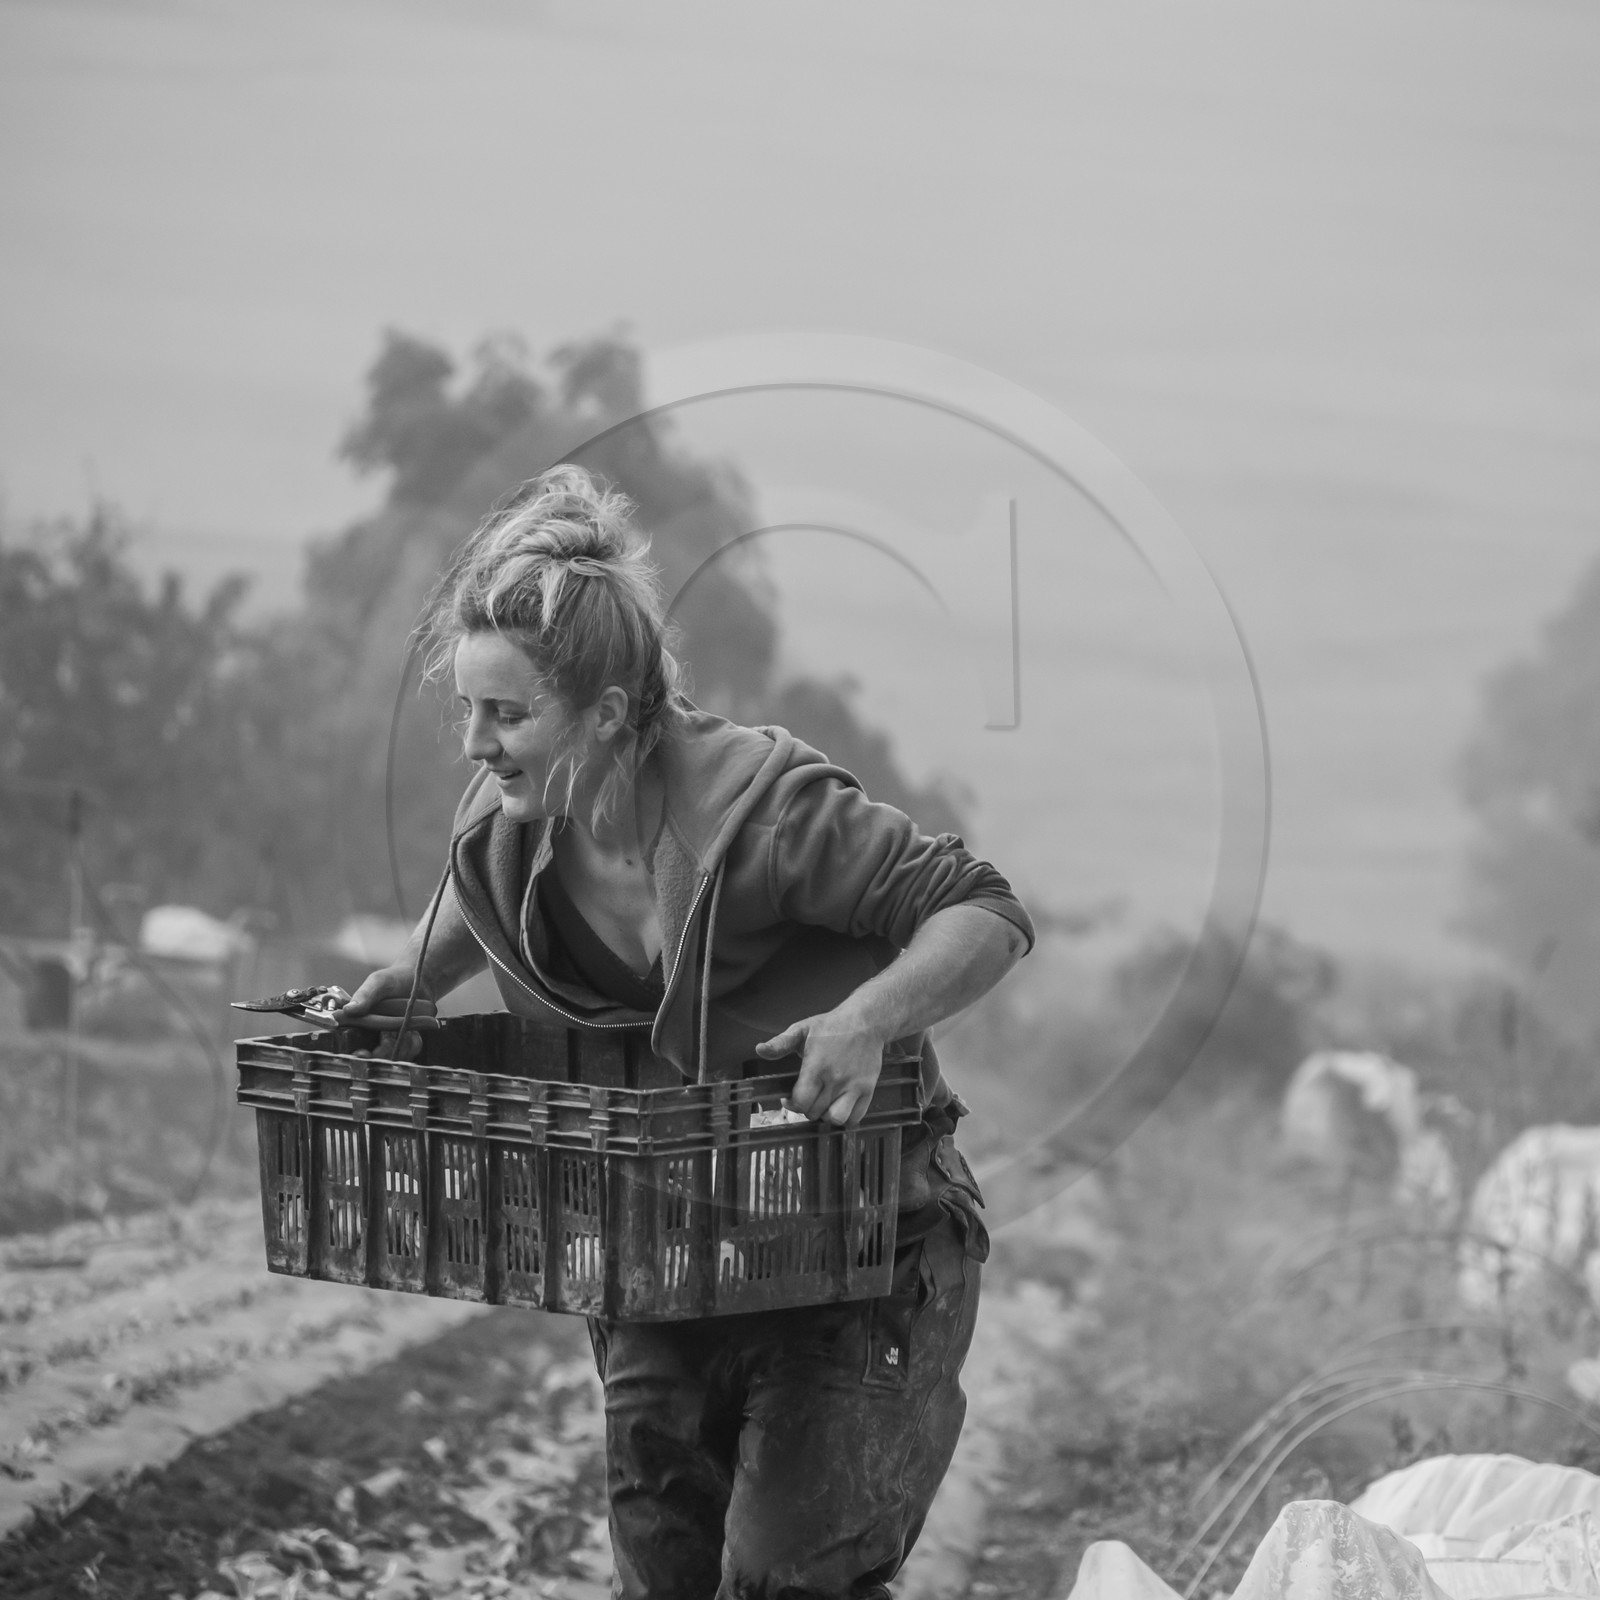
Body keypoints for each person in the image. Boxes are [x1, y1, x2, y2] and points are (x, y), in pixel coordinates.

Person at [338, 463, 1035, 1599]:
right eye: (466, 708)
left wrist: (863, 1022)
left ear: (608, 713)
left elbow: (986, 911)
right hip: (668, 1252)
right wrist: (408, 979)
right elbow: (484, 907)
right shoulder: (514, 823)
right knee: (661, 1573)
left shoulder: (764, 817)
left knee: (783, 1576)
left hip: (858, 1247)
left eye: (508, 713)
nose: (475, 741)